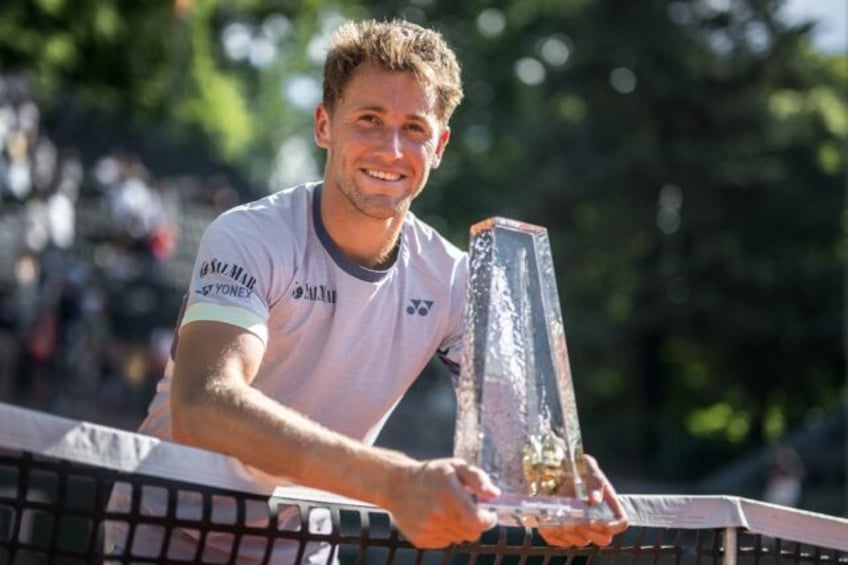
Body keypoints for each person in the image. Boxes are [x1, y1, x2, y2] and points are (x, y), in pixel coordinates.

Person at [105, 18, 628, 561]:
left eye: (415, 129)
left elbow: (517, 441)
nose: (391, 149)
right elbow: (203, 404)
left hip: (297, 544)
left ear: (441, 144)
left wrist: (555, 485)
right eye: (369, 120)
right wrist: (394, 481)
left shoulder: (454, 280)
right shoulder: (247, 235)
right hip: (161, 529)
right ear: (324, 125)